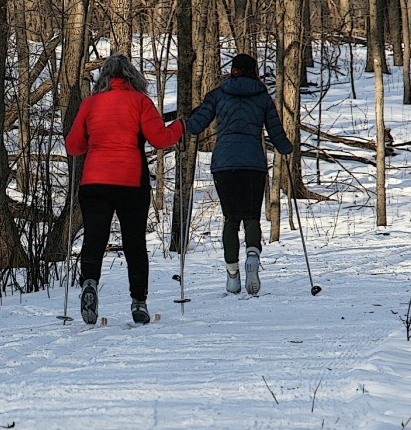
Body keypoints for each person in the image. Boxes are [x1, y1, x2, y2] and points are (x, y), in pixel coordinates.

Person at [65, 54, 185, 325]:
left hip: (94, 181)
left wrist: (94, 142)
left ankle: (90, 284)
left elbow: (73, 146)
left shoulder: (90, 104)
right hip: (131, 182)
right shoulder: (140, 101)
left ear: (103, 77)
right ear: (132, 76)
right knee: (134, 243)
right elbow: (160, 139)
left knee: (94, 238)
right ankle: (139, 301)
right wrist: (180, 126)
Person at [183, 53, 294, 296]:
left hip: (224, 163)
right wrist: (286, 148)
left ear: (233, 70)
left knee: (231, 219)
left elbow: (194, 126)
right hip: (253, 163)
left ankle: (232, 275)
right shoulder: (263, 98)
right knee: (252, 216)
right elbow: (276, 133)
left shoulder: (218, 94)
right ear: (253, 71)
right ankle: (252, 256)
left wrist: (188, 118)